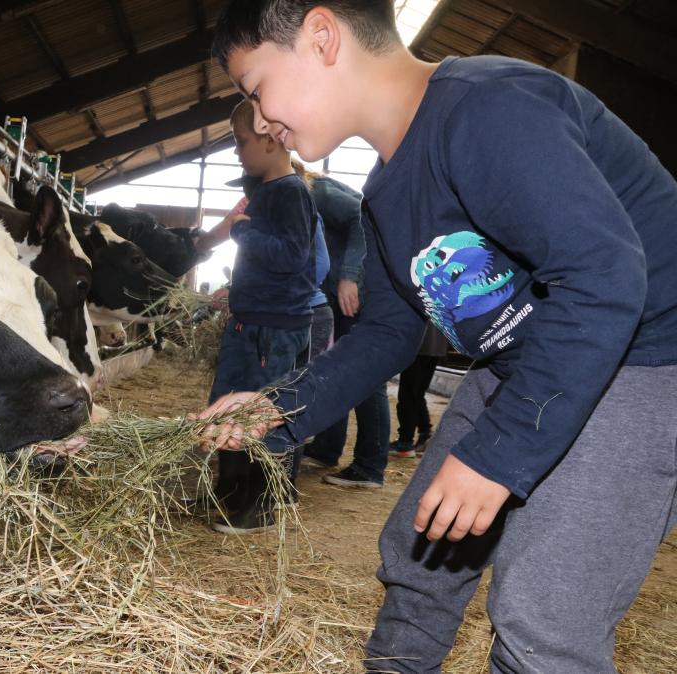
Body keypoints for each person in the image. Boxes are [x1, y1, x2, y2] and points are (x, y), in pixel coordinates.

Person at [198, 1, 677, 672]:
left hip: (649, 356)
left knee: (546, 609)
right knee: (421, 545)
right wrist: (280, 407)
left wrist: (497, 455)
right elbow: (389, 332)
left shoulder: (490, 106)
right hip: (529, 353)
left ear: (322, 35)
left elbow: (605, 278)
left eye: (257, 89)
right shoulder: (387, 190)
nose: (261, 116)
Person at [205, 98, 320, 535]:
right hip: (250, 321)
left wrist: (242, 230)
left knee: (263, 413)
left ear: (272, 140)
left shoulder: (290, 193)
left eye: (241, 142)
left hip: (274, 328)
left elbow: (292, 256)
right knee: (227, 409)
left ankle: (265, 503)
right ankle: (232, 492)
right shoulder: (267, 191)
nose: (237, 151)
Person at [296, 165, 393, 488]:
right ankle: (327, 448)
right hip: (335, 294)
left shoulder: (316, 191)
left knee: (366, 374)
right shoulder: (305, 192)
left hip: (357, 290)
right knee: (335, 367)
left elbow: (360, 217)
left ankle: (370, 466)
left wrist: (350, 275)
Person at [390, 326, 450, 458]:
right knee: (417, 393)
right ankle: (425, 433)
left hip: (418, 344)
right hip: (437, 346)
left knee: (408, 395)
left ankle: (405, 442)